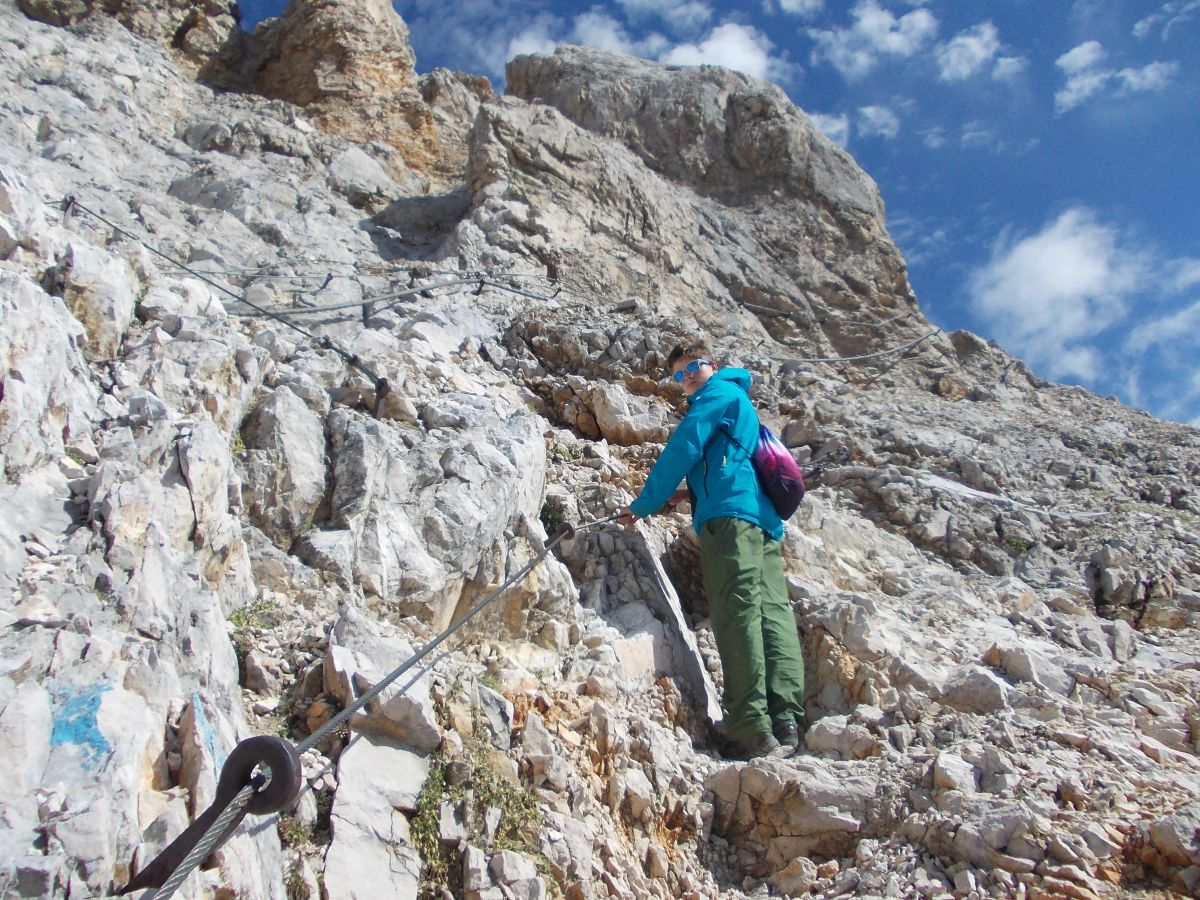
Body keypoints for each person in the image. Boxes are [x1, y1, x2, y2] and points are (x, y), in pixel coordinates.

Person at [617, 339, 806, 760]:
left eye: (692, 368)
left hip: (730, 522)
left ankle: (750, 728)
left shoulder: (717, 392)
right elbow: (729, 462)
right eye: (679, 376)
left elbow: (686, 444)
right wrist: (686, 496)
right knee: (771, 612)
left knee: (736, 611)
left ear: (713, 365)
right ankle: (785, 721)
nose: (686, 379)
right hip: (762, 523)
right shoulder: (738, 399)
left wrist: (645, 503)